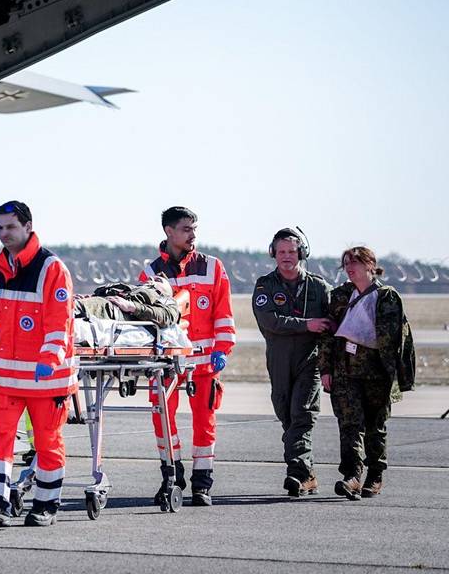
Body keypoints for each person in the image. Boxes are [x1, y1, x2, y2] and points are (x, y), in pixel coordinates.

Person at [0, 200, 75, 528]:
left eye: (10, 227)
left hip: (46, 377)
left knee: (47, 441)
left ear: (28, 227)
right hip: (6, 374)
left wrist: (50, 357)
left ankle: (46, 504)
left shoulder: (51, 268)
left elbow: (60, 322)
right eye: (0, 228)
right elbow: (3, 319)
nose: (4, 233)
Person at [139, 206, 235, 506]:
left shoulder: (212, 267)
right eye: (186, 229)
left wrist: (222, 350)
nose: (193, 235)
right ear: (169, 232)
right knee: (162, 420)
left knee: (204, 421)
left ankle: (202, 483)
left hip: (204, 362)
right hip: (167, 362)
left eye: (195, 229)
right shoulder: (151, 272)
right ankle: (172, 476)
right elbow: (147, 320)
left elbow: (224, 315)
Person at [320, 246, 410, 500]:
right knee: (349, 425)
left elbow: (391, 339)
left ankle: (375, 475)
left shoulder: (386, 297)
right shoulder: (339, 296)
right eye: (346, 263)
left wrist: (392, 377)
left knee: (375, 426)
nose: (350, 268)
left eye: (356, 263)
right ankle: (352, 476)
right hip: (345, 371)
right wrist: (325, 368)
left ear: (370, 265)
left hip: (376, 373)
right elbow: (327, 334)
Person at [252, 228, 335, 497]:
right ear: (273, 254)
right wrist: (307, 324)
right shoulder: (265, 285)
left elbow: (331, 327)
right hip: (278, 360)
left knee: (302, 415)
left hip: (309, 361)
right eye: (281, 252)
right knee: (286, 415)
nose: (287, 257)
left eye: (291, 251)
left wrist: (328, 367)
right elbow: (269, 321)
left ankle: (296, 473)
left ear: (301, 253)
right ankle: (307, 473)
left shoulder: (320, 288)